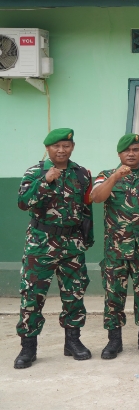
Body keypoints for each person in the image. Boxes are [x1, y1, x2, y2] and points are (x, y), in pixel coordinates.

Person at [14, 128, 93, 369]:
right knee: (32, 295)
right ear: (48, 148)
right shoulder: (35, 172)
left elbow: (86, 210)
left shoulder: (81, 174)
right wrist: (46, 181)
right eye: (56, 146)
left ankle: (73, 342)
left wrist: (86, 239)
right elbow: (22, 202)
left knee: (75, 294)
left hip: (72, 245)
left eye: (66, 146)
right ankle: (28, 348)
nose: (61, 150)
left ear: (72, 147)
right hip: (41, 244)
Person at [91, 133, 139, 359]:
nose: (131, 154)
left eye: (136, 150)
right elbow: (97, 197)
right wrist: (115, 177)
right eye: (127, 150)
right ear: (119, 154)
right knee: (113, 294)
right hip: (116, 249)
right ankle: (114, 340)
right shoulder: (105, 175)